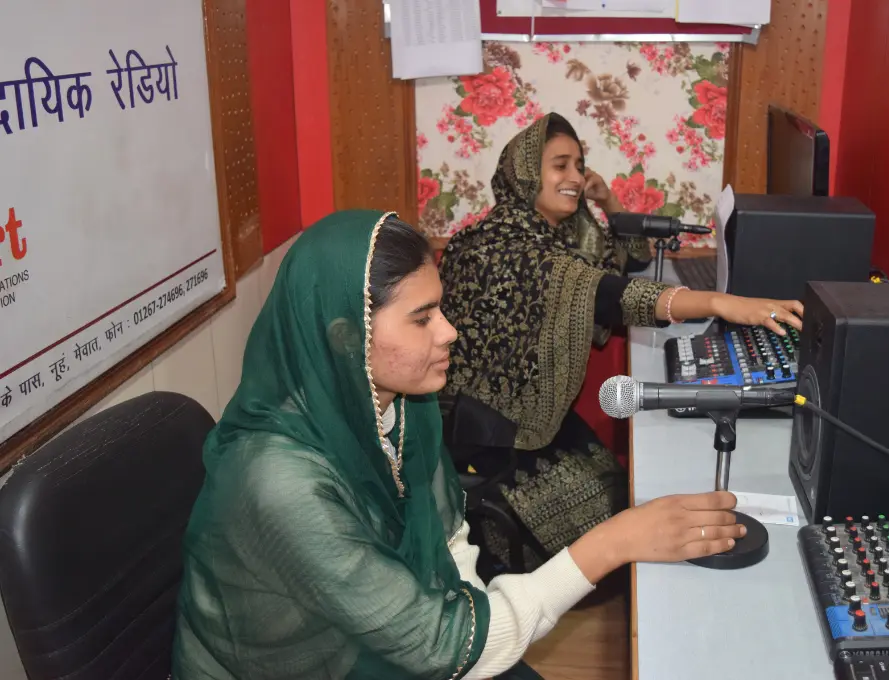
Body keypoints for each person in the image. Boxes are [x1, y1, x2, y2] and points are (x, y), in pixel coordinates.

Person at [171, 209, 747, 680]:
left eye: (440, 308)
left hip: (386, 639)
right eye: (422, 319)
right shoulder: (279, 484)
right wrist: (613, 543)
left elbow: (448, 547)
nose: (450, 331)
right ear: (347, 339)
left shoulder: (402, 405)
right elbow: (442, 648)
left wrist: (479, 621)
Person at [439, 113, 803, 573]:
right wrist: (721, 303)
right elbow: (608, 292)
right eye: (560, 165)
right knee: (628, 528)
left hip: (518, 419)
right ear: (526, 173)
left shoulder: (545, 235)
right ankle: (492, 560)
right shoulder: (500, 247)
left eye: (580, 164)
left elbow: (625, 258)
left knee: (630, 500)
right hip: (485, 431)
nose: (574, 177)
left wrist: (607, 199)